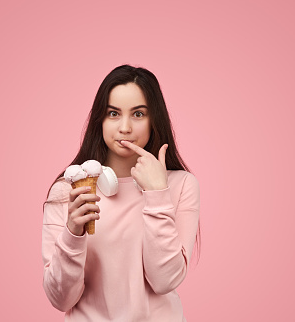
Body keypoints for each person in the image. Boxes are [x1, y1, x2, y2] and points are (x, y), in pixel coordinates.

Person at [42, 64, 200, 321]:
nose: (125, 127)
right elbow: (61, 300)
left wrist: (157, 193)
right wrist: (73, 232)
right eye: (113, 113)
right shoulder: (68, 190)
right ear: (100, 120)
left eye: (138, 114)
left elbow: (164, 281)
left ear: (153, 120)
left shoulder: (181, 185)